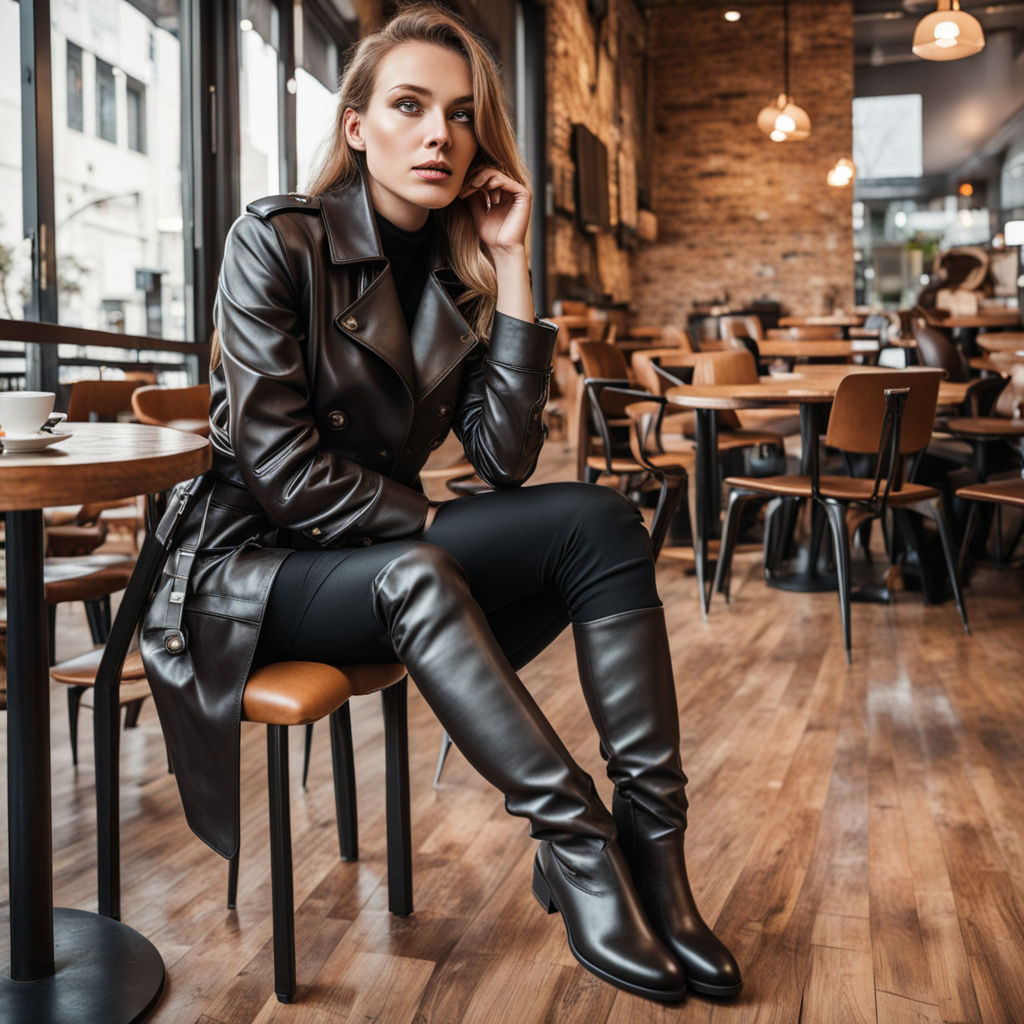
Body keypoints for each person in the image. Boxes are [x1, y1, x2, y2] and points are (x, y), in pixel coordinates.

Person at [141, 2, 740, 1003]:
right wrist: (422, 523)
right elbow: (280, 469)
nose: (437, 135)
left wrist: (508, 263)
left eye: (460, 116)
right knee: (423, 565)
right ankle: (577, 841)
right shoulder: (275, 240)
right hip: (245, 572)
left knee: (594, 518)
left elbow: (504, 460)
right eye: (409, 106)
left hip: (369, 557)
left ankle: (656, 851)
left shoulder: (459, 275)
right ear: (355, 125)